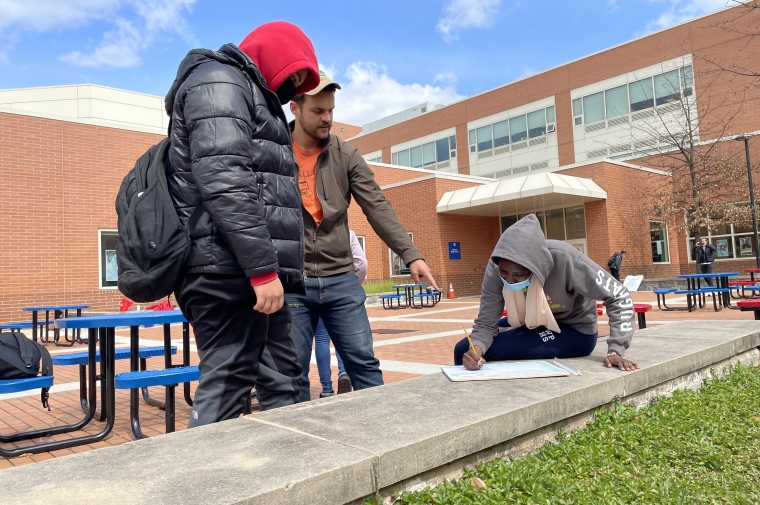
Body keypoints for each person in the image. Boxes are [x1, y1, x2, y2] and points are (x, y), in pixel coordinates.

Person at [164, 22, 320, 427]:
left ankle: (285, 480)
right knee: (228, 383)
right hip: (227, 269)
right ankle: (200, 488)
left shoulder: (245, 91)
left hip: (245, 267)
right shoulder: (220, 81)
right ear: (274, 55)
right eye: (293, 75)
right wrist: (263, 268)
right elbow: (225, 180)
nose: (293, 90)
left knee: (283, 379)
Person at [287, 71, 439, 401]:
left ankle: (382, 443)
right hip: (292, 281)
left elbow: (378, 207)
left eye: (331, 110)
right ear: (295, 108)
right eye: (318, 111)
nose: (327, 118)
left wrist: (410, 254)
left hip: (340, 278)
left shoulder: (346, 155)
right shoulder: (274, 152)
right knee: (290, 373)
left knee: (365, 366)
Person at [455, 214, 638, 372]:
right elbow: (486, 324)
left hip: (573, 330)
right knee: (464, 349)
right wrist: (476, 351)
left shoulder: (565, 259)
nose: (509, 280)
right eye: (504, 272)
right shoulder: (496, 266)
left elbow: (619, 294)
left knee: (494, 350)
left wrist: (616, 349)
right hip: (531, 323)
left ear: (536, 267)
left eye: (518, 275)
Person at [315, 230, 368, 397]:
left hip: (314, 290)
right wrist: (354, 284)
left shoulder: (307, 231)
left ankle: (326, 388)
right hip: (342, 291)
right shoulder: (347, 233)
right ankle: (343, 372)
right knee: (342, 337)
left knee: (322, 340)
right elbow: (361, 263)